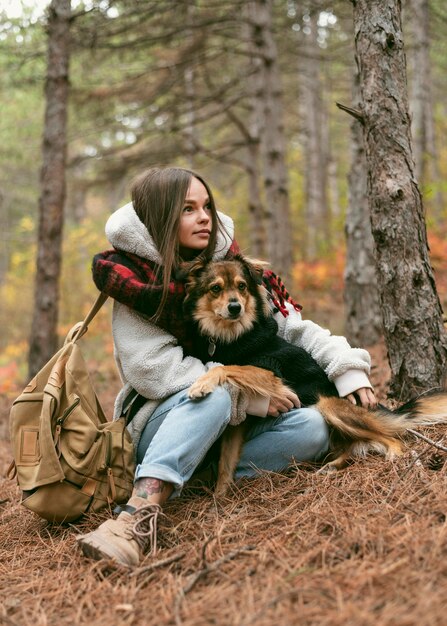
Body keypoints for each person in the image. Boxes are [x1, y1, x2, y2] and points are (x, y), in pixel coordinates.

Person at [76, 166, 377, 566]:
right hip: (165, 421)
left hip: (230, 432)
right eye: (187, 209)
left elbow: (294, 328)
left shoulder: (237, 269)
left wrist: (346, 368)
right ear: (161, 218)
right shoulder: (136, 282)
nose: (204, 217)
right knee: (214, 392)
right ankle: (136, 516)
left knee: (317, 426)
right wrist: (246, 397)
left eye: (207, 207)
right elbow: (154, 371)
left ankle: (191, 478)